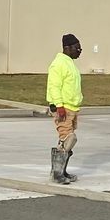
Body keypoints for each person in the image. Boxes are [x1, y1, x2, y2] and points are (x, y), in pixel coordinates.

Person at [46, 33, 84, 183]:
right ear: (67, 48)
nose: (79, 50)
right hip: (64, 108)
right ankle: (57, 175)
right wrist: (59, 105)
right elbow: (54, 86)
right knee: (68, 139)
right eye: (77, 48)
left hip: (72, 108)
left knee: (65, 141)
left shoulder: (69, 63)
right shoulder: (59, 63)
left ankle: (62, 171)